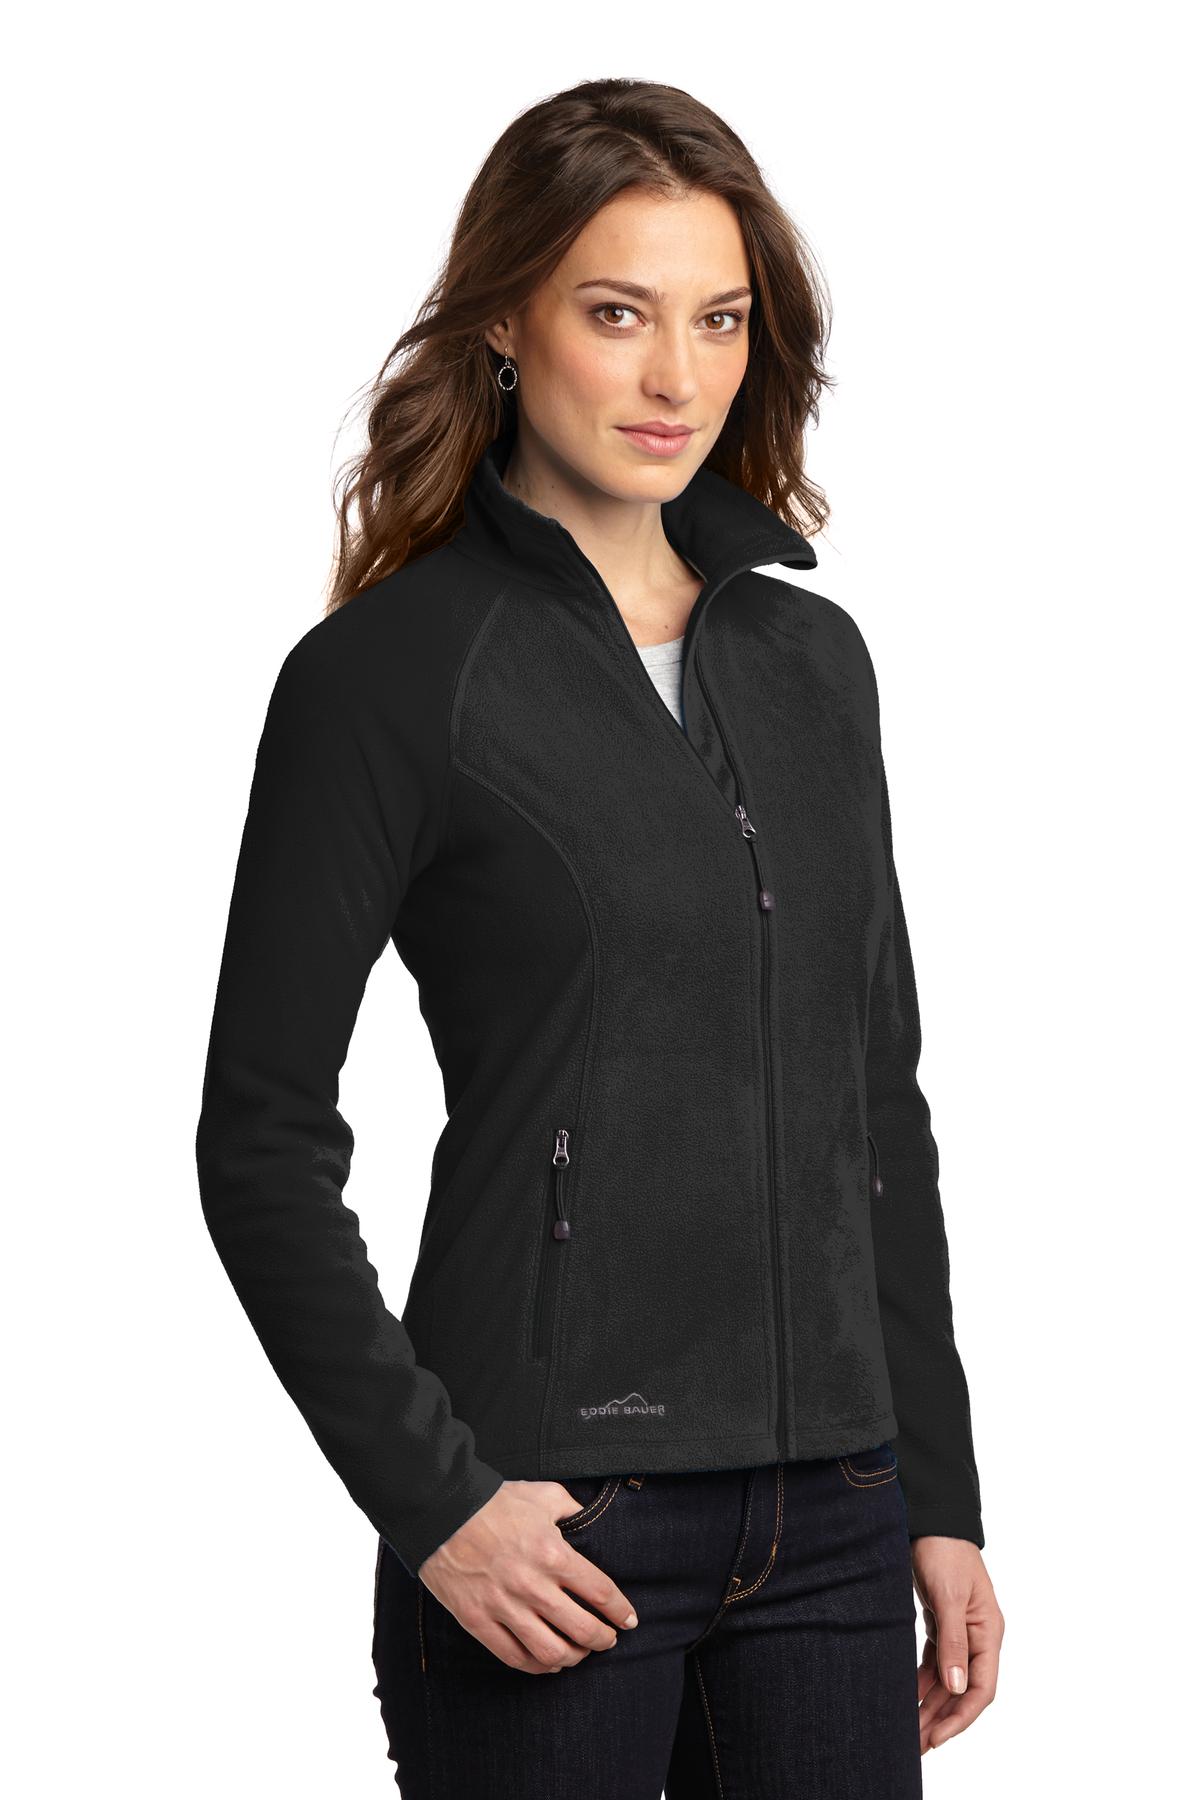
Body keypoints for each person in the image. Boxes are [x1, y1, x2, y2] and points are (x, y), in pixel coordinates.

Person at [195, 75, 1004, 1798]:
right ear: (506, 320)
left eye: (720, 320)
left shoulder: (812, 665)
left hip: (838, 1517)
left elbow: (878, 1110)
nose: (676, 379)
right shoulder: (384, 680)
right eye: (618, 314)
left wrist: (937, 1493)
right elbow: (258, 1139)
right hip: (554, 1520)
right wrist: (437, 1502)